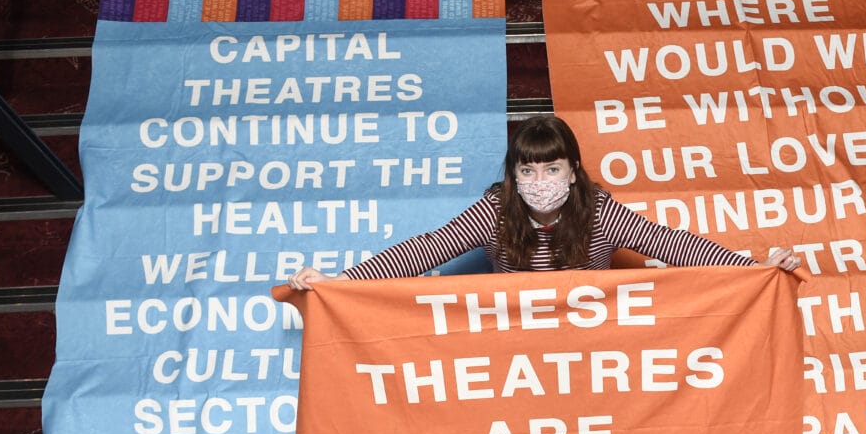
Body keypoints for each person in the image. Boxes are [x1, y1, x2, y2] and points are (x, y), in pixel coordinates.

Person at [286, 115, 800, 289]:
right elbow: (426, 249)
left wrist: (754, 267)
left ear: (573, 172)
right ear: (513, 175)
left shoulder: (599, 212)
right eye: (527, 170)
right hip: (516, 357)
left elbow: (677, 246)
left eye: (551, 168)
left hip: (593, 351)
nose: (539, 179)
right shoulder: (496, 211)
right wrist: (344, 281)